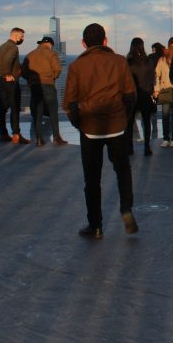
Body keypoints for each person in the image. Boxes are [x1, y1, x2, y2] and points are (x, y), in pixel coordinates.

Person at [63, 23, 138, 240]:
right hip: (117, 125)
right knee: (123, 170)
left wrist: (80, 123)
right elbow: (130, 95)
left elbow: (69, 102)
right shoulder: (119, 61)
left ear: (84, 43)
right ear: (105, 41)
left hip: (90, 128)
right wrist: (123, 117)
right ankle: (126, 209)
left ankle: (95, 225)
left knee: (92, 179)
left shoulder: (77, 66)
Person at [24, 36, 68, 147]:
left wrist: (31, 80)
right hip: (48, 85)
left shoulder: (30, 55)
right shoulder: (52, 54)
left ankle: (39, 138)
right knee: (53, 112)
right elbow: (57, 70)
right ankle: (57, 137)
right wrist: (51, 77)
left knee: (38, 113)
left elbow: (24, 72)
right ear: (51, 45)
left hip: (35, 86)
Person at [0, 27, 30, 144]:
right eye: (22, 36)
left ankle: (3, 134)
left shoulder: (2, 46)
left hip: (0, 80)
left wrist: (16, 68)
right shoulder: (13, 47)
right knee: (15, 108)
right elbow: (7, 60)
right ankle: (16, 134)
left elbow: (1, 61)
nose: (22, 38)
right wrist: (8, 74)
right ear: (15, 35)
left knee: (3, 108)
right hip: (10, 81)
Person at [125, 38, 155, 157]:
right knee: (146, 123)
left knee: (130, 123)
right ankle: (147, 147)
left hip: (132, 96)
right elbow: (152, 79)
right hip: (146, 95)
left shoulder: (129, 62)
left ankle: (130, 147)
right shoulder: (148, 61)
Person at [154, 37, 173, 146]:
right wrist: (156, 89)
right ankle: (166, 137)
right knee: (165, 115)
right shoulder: (162, 60)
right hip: (165, 90)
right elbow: (156, 75)